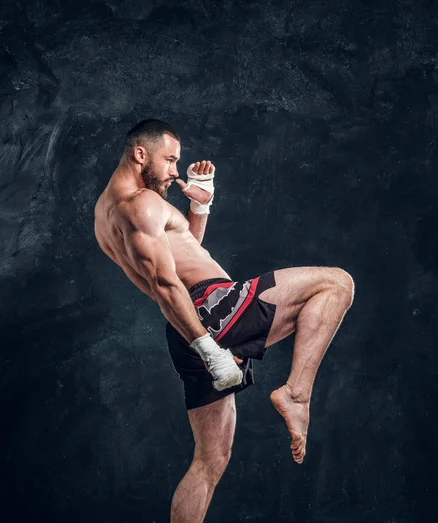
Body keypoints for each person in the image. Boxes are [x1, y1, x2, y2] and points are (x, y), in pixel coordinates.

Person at [94, 119, 355, 522]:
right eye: (169, 160)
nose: (175, 171)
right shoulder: (142, 204)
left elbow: (181, 257)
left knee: (209, 461)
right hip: (209, 313)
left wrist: (200, 207)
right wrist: (212, 351)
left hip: (188, 327)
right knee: (336, 284)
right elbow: (166, 284)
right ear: (139, 154)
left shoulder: (109, 211)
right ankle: (297, 394)